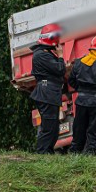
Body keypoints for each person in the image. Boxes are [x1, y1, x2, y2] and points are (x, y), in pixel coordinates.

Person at [29, 23, 67, 154]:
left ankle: (47, 152)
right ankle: (42, 153)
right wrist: (61, 56)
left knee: (53, 127)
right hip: (47, 93)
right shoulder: (42, 55)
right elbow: (60, 69)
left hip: (48, 93)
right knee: (49, 127)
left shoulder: (44, 53)